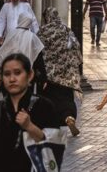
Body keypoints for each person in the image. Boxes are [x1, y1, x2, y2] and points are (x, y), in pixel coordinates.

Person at [0, 53, 63, 172]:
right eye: (7, 74)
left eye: (17, 73)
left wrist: (30, 127)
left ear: (30, 75)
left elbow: (54, 146)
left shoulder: (44, 107)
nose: (12, 79)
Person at [38, 8, 83, 136]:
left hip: (50, 74)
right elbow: (76, 46)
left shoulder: (43, 31)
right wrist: (76, 65)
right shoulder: (66, 30)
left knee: (51, 99)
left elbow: (37, 49)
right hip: (66, 72)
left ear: (47, 17)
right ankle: (69, 117)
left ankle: (53, 123)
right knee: (66, 98)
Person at [0, 14, 46, 92]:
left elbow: (3, 52)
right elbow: (38, 57)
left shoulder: (11, 34)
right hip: (26, 74)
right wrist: (43, 76)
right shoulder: (32, 37)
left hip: (10, 71)